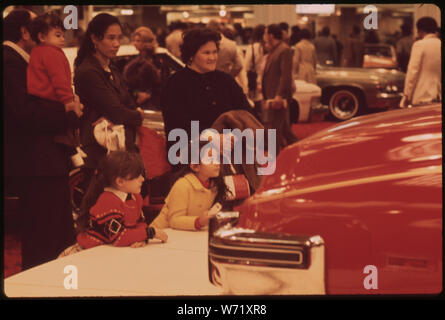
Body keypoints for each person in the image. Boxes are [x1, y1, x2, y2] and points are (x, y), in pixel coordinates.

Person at [4, 9, 83, 270]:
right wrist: (67, 110)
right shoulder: (9, 61)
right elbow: (25, 113)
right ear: (26, 32)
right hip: (35, 162)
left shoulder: (26, 59)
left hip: (46, 160)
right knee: (43, 233)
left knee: (54, 230)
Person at [160, 27, 253, 161]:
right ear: (191, 55)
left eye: (215, 52)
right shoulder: (174, 84)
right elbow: (177, 126)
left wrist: (232, 136)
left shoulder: (226, 80)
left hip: (231, 156)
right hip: (192, 159)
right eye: (206, 53)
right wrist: (210, 138)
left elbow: (246, 114)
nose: (213, 57)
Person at [74, 13, 145, 174]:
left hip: (120, 150)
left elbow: (128, 104)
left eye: (119, 38)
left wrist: (124, 113)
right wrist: (137, 115)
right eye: (111, 38)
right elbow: (118, 112)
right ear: (95, 39)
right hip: (99, 153)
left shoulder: (112, 69)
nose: (116, 44)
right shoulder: (88, 71)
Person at [73, 151, 168, 249]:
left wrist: (141, 238)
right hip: (91, 251)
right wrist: (150, 233)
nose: (142, 179)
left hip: (111, 249)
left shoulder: (135, 197)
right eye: (137, 176)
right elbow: (119, 237)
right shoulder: (108, 202)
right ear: (120, 182)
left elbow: (140, 224)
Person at [27, 12, 82, 163]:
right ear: (42, 37)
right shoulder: (52, 53)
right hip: (54, 100)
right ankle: (77, 157)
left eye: (63, 35)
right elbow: (60, 80)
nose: (63, 39)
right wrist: (69, 103)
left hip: (39, 101)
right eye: (58, 35)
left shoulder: (36, 52)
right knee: (68, 133)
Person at [151, 142, 228, 231]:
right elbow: (174, 220)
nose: (217, 163)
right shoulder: (182, 185)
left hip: (186, 234)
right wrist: (198, 222)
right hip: (161, 233)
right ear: (195, 167)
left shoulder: (214, 186)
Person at [262, 24, 298, 152]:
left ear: (271, 35)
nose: (264, 37)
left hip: (277, 96)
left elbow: (285, 75)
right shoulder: (275, 49)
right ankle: (298, 150)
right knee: (283, 129)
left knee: (276, 128)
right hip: (272, 95)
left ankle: (276, 156)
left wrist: (279, 95)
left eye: (265, 33)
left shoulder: (284, 50)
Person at [400, 17, 441, 108]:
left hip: (422, 95)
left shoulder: (419, 45)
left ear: (420, 30)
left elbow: (413, 72)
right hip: (439, 96)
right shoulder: (439, 44)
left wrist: (406, 95)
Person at [123, 26, 165, 109]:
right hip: (137, 103)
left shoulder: (155, 61)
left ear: (146, 42)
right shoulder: (136, 59)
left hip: (151, 104)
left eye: (138, 41)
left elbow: (160, 84)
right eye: (134, 40)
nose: (135, 43)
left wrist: (148, 94)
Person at [244, 24, 266, 109]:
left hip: (255, 78)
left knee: (256, 103)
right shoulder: (268, 47)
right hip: (267, 78)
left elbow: (247, 65)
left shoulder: (252, 47)